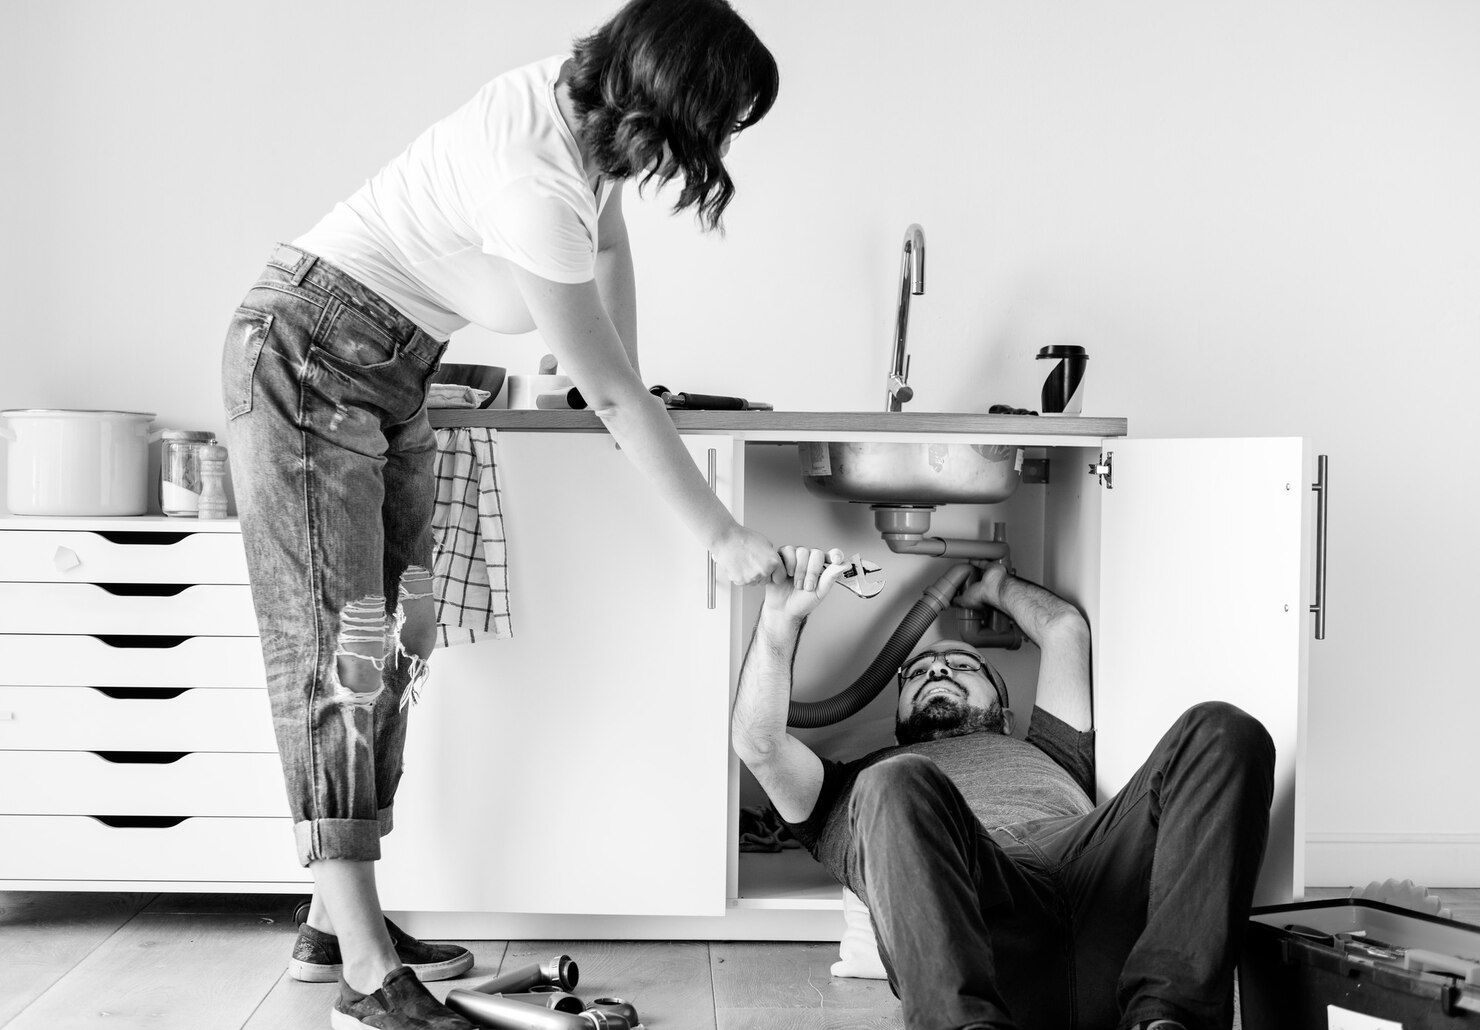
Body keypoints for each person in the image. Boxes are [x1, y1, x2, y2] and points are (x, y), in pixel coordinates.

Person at [219, 2, 781, 1027]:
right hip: (308, 355)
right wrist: (721, 532)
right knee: (336, 649)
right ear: (669, 105)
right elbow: (611, 397)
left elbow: (608, 254)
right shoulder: (533, 180)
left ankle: (332, 922)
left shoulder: (581, 119)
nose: (716, 148)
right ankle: (359, 966)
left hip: (387, 368)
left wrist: (627, 369)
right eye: (720, 125)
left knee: (386, 642)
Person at [731, 546, 1276, 1030]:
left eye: (962, 664)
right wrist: (780, 621)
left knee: (1222, 730)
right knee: (895, 781)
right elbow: (758, 743)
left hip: (1098, 884)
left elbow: (1064, 628)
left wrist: (993, 585)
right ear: (896, 714)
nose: (938, 671)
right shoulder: (853, 790)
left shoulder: (1049, 748)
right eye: (918, 674)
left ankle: (1168, 1020)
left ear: (1005, 708)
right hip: (981, 930)